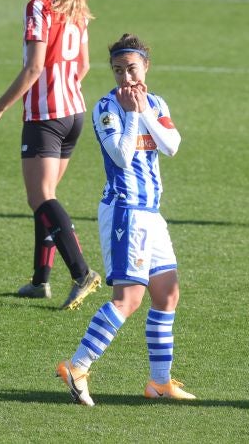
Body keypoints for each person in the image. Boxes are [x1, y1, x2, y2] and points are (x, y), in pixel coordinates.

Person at [56, 34, 196, 406]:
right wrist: (133, 115)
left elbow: (172, 145)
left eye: (131, 69)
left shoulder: (156, 102)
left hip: (151, 214)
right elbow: (119, 157)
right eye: (118, 70)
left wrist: (145, 112)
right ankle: (77, 365)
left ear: (145, 67)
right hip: (125, 212)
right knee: (128, 299)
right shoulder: (106, 107)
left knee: (167, 294)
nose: (125, 78)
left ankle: (159, 382)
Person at [0, 0, 100, 310]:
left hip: (47, 116)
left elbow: (33, 67)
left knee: (40, 196)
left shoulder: (39, 6)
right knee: (46, 199)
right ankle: (40, 281)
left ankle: (81, 273)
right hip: (73, 111)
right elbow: (85, 66)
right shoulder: (76, 6)